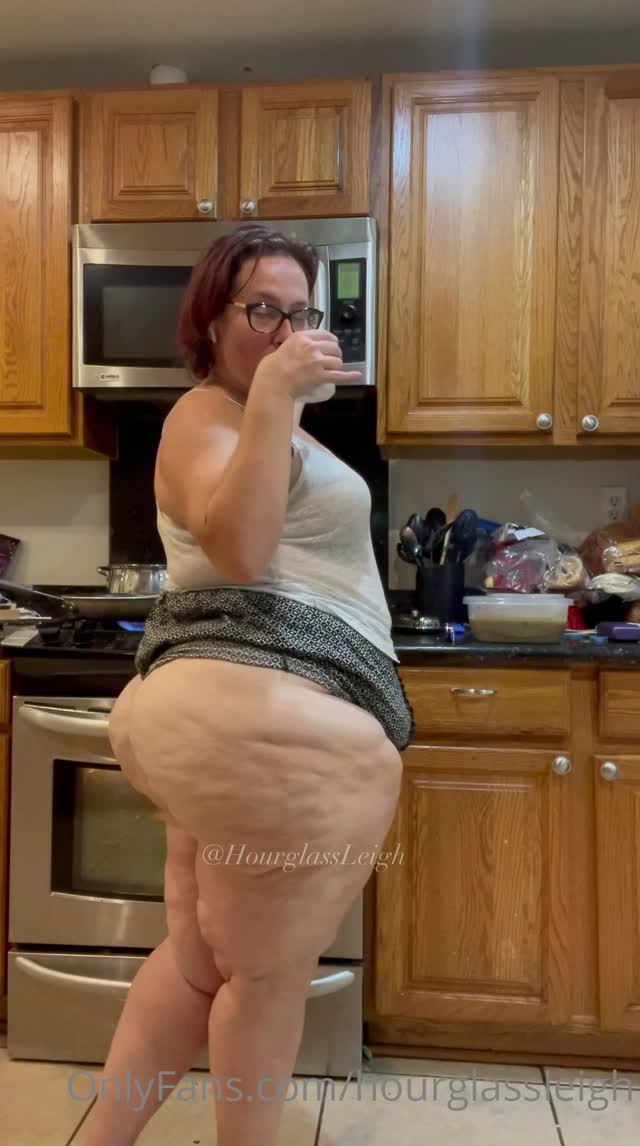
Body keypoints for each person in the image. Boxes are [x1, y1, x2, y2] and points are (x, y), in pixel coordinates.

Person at [85, 225, 413, 1146]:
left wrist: (276, 406)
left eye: (299, 313)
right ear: (210, 320)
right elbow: (239, 552)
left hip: (216, 714)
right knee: (265, 980)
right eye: (261, 310)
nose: (284, 333)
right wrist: (273, 393)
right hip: (268, 725)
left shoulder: (261, 423)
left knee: (198, 963)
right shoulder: (207, 414)